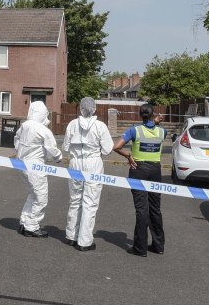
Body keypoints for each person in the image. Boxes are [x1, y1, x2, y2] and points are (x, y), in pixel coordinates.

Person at [113, 103, 165, 256]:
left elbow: (117, 147)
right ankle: (158, 246)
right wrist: (155, 123)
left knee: (142, 208)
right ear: (153, 114)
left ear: (140, 115)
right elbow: (152, 129)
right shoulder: (163, 132)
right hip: (156, 170)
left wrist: (128, 155)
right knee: (155, 208)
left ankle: (140, 248)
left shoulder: (134, 130)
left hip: (138, 170)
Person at [63, 97, 114, 251]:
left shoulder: (72, 124)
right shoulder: (100, 126)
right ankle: (84, 241)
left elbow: (65, 147)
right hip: (93, 163)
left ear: (80, 108)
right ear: (94, 108)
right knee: (90, 202)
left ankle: (71, 235)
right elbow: (107, 149)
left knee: (75, 199)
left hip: (75, 162)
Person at [14, 100, 62, 238]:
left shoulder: (24, 125)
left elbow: (16, 140)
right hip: (35, 167)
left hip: (21, 164)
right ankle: (32, 227)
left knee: (32, 194)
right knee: (41, 197)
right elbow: (52, 150)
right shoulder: (43, 130)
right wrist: (58, 157)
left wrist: (22, 151)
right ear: (43, 114)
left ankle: (24, 222)